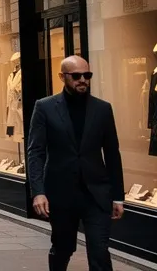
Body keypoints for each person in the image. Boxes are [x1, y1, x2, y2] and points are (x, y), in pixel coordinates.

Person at [27, 55, 124, 271]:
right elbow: (36, 152)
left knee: (99, 250)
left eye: (87, 75)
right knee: (63, 247)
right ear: (63, 77)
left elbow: (112, 153)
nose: (83, 80)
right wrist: (38, 191)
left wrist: (118, 195)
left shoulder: (102, 109)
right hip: (61, 193)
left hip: (96, 194)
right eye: (77, 75)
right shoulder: (45, 107)